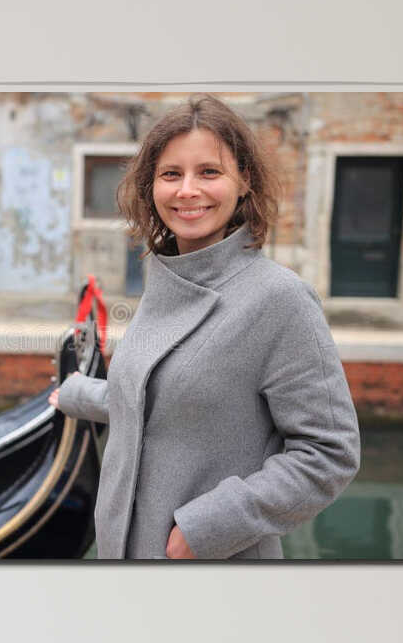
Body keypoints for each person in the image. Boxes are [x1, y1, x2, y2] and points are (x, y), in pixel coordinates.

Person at [50, 96, 360, 560]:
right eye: (171, 174)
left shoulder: (281, 298)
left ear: (244, 181)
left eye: (209, 172)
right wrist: (76, 394)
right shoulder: (165, 280)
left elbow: (330, 454)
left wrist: (205, 530)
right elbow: (163, 400)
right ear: (151, 186)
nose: (187, 190)